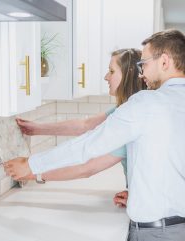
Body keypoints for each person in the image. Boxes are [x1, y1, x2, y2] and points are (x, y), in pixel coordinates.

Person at [4, 29, 185, 241]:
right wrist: (143, 197)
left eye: (145, 64)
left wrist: (32, 165)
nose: (142, 74)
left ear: (165, 62)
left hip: (159, 238)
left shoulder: (146, 104)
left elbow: (90, 143)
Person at [16, 48, 146, 207]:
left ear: (128, 75)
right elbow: (86, 125)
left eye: (111, 71)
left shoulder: (129, 119)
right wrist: (36, 129)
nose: (106, 77)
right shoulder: (127, 109)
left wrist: (33, 172)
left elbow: (87, 168)